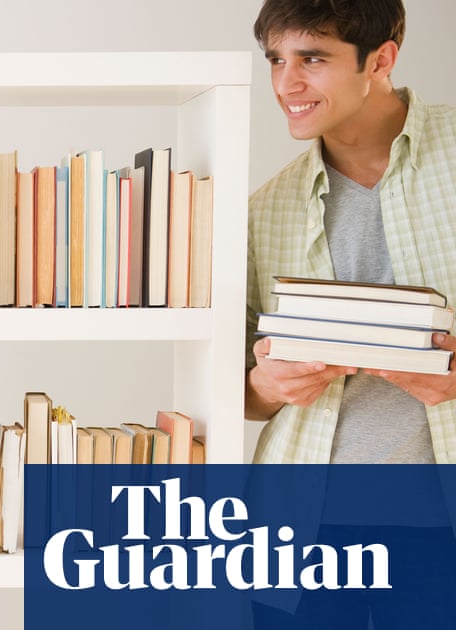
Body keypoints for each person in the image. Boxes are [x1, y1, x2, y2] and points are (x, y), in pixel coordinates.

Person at [245, 1, 456, 627]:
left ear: (382, 59)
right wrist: (261, 385)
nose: (287, 83)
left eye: (313, 58)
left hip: (437, 525)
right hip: (300, 525)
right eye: (276, 60)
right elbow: (247, 390)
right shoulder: (265, 209)